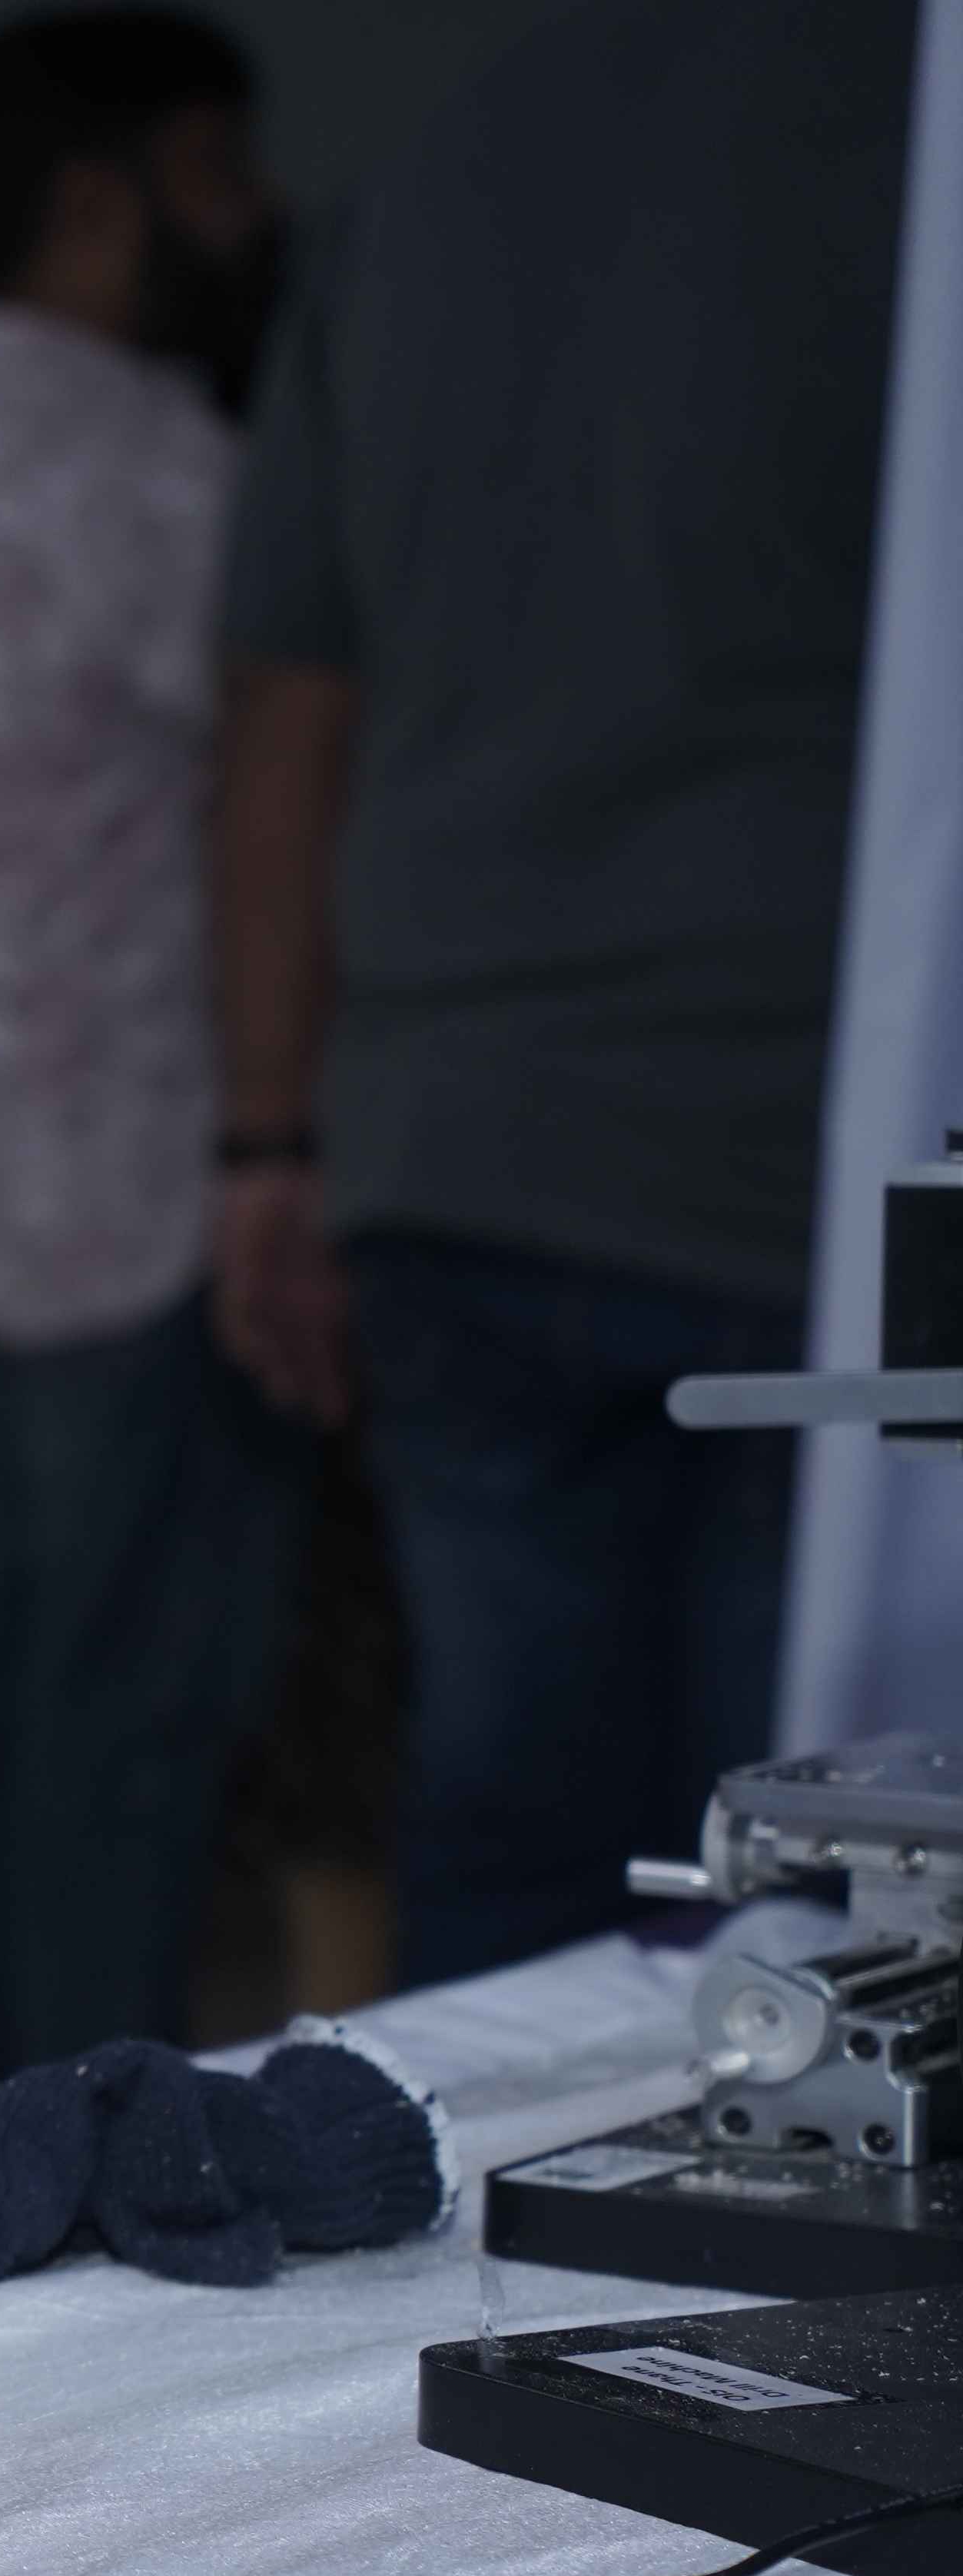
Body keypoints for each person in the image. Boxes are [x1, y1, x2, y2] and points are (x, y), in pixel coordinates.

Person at [211, 0, 915, 1982]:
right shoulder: (904, 137)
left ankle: (493, 2284)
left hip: (459, 1132)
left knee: (514, 1838)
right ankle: (794, 2301)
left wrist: (263, 1136)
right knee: (822, 1874)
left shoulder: (417, 182)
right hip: (801, 1138)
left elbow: (285, 715)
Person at [0, 8, 294, 2113]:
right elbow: (291, 783)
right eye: (218, 173)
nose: (255, 219)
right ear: (103, 202)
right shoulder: (157, 467)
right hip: (135, 1156)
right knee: (119, 1732)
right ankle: (92, 2169)